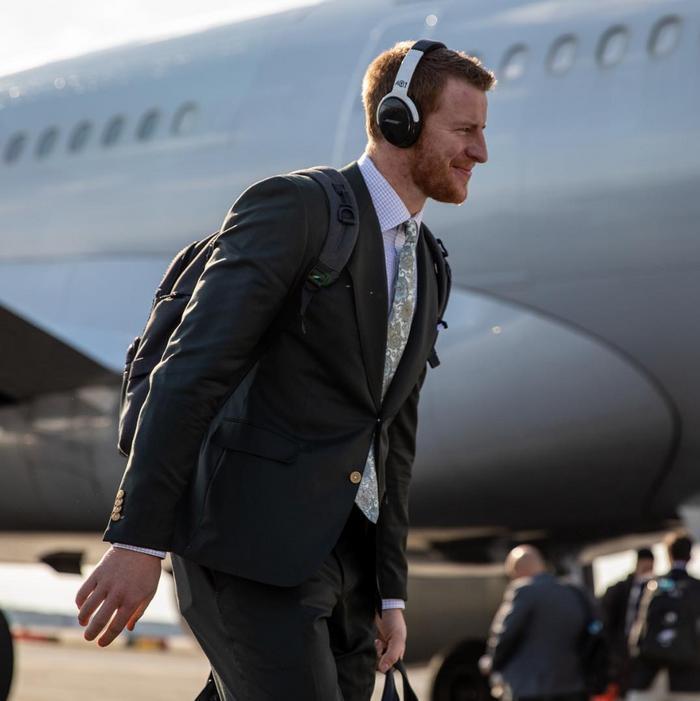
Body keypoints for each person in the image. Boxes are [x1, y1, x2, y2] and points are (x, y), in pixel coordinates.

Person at [74, 40, 494, 700]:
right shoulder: (295, 209)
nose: (480, 151)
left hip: (347, 566)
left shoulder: (429, 264)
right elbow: (193, 369)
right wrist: (139, 540)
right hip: (248, 547)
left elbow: (392, 436)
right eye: (464, 130)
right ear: (398, 121)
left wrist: (388, 591)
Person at [480, 545, 589, 701]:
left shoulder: (524, 592)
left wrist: (492, 662)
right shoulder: (573, 592)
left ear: (517, 570)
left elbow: (505, 634)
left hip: (531, 688)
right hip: (572, 685)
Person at [627, 533, 700, 701]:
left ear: (668, 554)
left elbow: (636, 628)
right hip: (688, 674)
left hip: (650, 673)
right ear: (690, 556)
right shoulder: (696, 588)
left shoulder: (653, 585)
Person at [601, 547, 655, 696]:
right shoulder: (620, 590)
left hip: (645, 652)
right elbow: (607, 621)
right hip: (622, 650)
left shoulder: (656, 589)